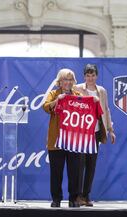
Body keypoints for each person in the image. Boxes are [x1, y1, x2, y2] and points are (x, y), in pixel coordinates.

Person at [74, 63, 116, 206]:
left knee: (91, 166)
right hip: (81, 132)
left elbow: (106, 109)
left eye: (92, 75)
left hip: (96, 132)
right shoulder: (78, 88)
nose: (90, 78)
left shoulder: (102, 91)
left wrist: (110, 130)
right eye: (88, 75)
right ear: (84, 76)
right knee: (80, 165)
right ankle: (78, 196)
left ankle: (86, 196)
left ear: (96, 76)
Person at [43, 68, 84, 208]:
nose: (67, 82)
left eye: (70, 79)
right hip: (56, 140)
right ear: (59, 82)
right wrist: (56, 101)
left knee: (75, 172)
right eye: (65, 79)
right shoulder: (53, 94)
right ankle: (56, 199)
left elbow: (86, 109)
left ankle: (74, 198)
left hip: (74, 140)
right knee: (56, 172)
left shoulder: (78, 95)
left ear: (73, 82)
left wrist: (94, 101)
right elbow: (45, 107)